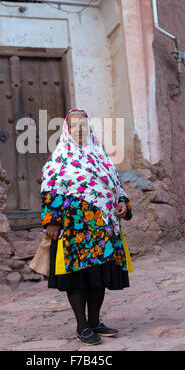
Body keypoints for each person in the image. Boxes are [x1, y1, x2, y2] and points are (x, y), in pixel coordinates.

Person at [40, 108, 133, 345]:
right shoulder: (59, 160)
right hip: (74, 230)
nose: (79, 129)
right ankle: (82, 325)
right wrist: (51, 219)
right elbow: (50, 187)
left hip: (102, 230)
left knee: (98, 276)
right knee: (78, 277)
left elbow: (116, 185)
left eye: (83, 125)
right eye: (74, 126)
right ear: (67, 130)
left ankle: (94, 321)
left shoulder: (101, 157)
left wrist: (122, 202)